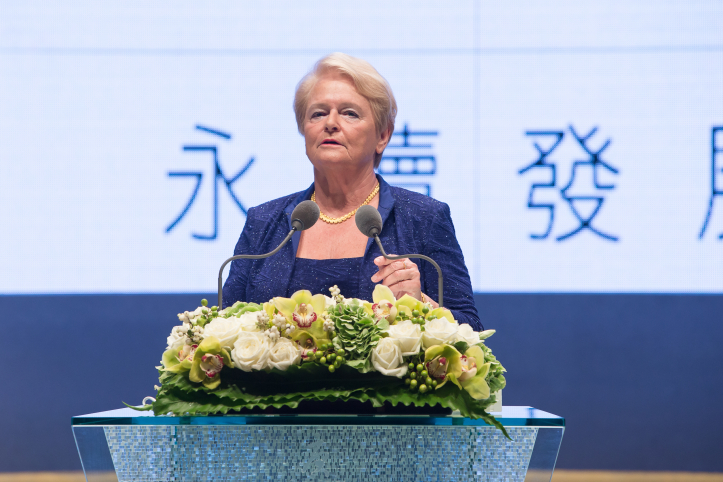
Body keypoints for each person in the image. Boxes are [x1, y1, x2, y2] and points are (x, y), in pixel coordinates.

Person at [222, 53, 482, 330]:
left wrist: (422, 306)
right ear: (304, 130)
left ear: (383, 136)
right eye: (318, 113)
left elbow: (472, 330)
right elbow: (223, 326)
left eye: (350, 113)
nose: (330, 123)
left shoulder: (424, 218)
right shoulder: (263, 222)